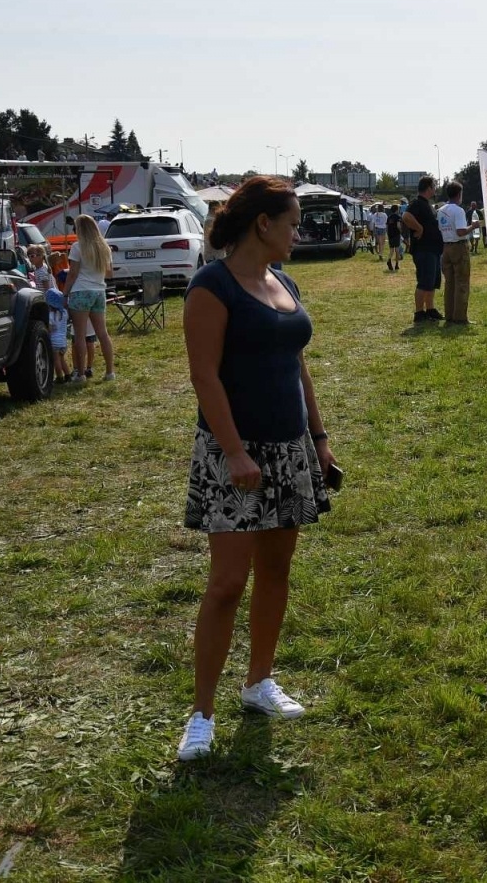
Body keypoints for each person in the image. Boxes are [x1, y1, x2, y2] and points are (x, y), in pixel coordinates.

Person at [177, 176, 337, 761]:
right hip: (234, 454)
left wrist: (318, 437)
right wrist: (235, 452)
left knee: (276, 570)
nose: (299, 232)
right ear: (262, 224)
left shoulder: (283, 280)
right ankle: (201, 714)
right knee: (226, 584)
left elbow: (298, 366)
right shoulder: (211, 287)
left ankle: (259, 682)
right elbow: (204, 376)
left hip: (289, 449)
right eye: (292, 223)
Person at [64, 214, 117, 381]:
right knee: (103, 333)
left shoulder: (77, 247)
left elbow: (73, 273)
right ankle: (110, 372)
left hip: (81, 291)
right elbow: (109, 273)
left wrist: (65, 293)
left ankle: (80, 374)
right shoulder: (104, 247)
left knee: (79, 336)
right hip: (99, 291)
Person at [402, 176, 443, 323]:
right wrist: (419, 228)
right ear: (428, 188)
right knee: (424, 281)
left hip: (433, 249)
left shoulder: (427, 204)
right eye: (434, 186)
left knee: (432, 282)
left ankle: (430, 309)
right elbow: (406, 216)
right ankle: (419, 312)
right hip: (424, 249)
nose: (435, 189)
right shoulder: (417, 203)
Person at [437, 181, 473, 326]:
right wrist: (473, 226)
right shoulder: (458, 211)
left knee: (449, 283)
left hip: (446, 247)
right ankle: (460, 317)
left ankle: (449, 314)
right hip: (459, 247)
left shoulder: (441, 210)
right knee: (462, 282)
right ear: (459, 194)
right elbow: (461, 231)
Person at [44, 287, 73, 384]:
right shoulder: (64, 313)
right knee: (62, 359)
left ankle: (60, 378)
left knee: (56, 360)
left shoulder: (51, 315)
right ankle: (68, 376)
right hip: (63, 341)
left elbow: (51, 329)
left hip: (54, 342)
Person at [384, 202, 402, 272]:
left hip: (390, 235)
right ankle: (396, 264)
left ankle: (389, 260)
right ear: (397, 210)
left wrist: (388, 234)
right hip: (396, 234)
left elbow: (387, 227)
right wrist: (401, 231)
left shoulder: (389, 217)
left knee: (391, 250)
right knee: (397, 250)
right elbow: (398, 226)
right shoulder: (398, 217)